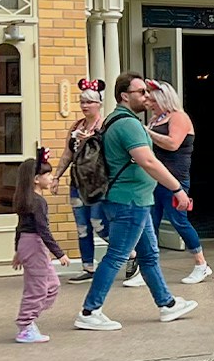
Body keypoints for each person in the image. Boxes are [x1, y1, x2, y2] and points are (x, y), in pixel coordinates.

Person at [74, 73, 198, 330]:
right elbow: (148, 161)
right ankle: (89, 310)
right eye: (141, 92)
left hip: (135, 200)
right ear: (124, 96)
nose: (147, 96)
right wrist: (178, 189)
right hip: (128, 201)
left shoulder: (115, 120)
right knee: (117, 255)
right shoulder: (128, 124)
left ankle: (167, 304)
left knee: (149, 255)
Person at [138, 81, 210, 285]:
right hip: (155, 177)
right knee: (149, 223)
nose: (149, 104)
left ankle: (201, 263)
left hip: (175, 178)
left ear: (163, 99)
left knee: (178, 221)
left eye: (152, 100)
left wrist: (147, 132)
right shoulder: (156, 118)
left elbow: (172, 143)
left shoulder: (179, 117)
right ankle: (146, 268)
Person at [51, 82, 108, 282]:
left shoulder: (105, 125)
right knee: (82, 227)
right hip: (77, 181)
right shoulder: (76, 126)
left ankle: (131, 255)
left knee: (99, 224)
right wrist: (57, 176)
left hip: (97, 182)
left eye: (90, 102)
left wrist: (91, 139)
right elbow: (68, 154)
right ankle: (88, 267)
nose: (85, 106)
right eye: (82, 101)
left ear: (99, 104)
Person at [12, 149, 66, 343]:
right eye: (48, 175)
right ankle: (25, 325)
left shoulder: (29, 200)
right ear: (36, 179)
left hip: (29, 244)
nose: (51, 178)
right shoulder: (38, 202)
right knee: (37, 288)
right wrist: (60, 254)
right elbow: (43, 230)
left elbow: (19, 228)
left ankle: (29, 319)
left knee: (52, 285)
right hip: (34, 244)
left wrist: (18, 250)